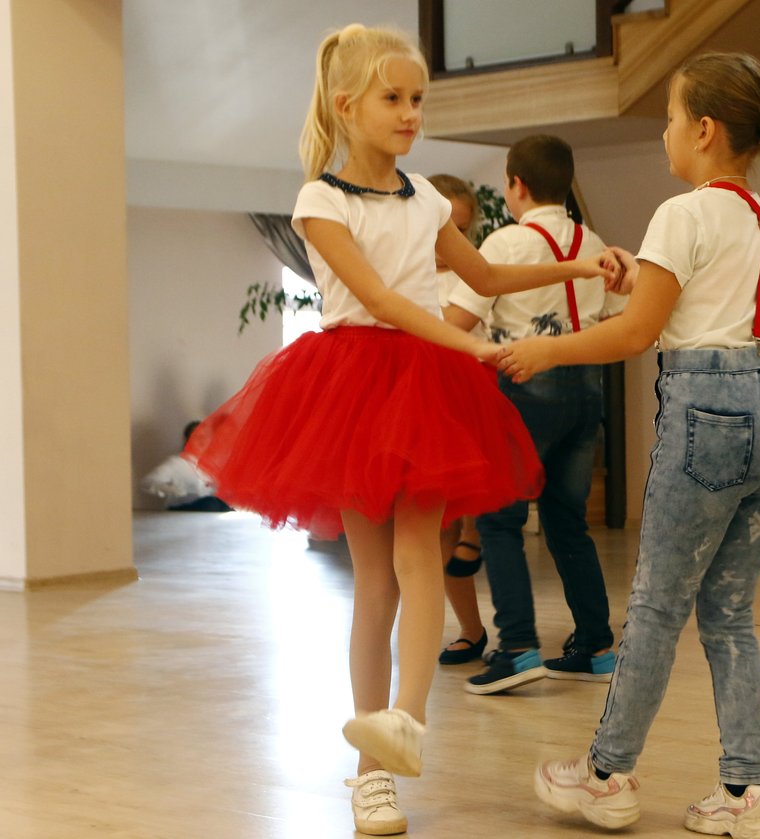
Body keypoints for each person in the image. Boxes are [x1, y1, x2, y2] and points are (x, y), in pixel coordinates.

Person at [183, 24, 616, 837]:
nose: (412, 112)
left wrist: (576, 265)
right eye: (394, 98)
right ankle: (371, 776)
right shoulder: (321, 200)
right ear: (347, 106)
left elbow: (483, 273)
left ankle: (402, 725)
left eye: (418, 98)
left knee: (422, 559)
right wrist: (473, 346)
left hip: (422, 387)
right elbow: (380, 300)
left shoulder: (424, 198)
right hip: (352, 387)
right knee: (374, 582)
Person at [500, 52, 760, 838]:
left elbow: (636, 335)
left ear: (703, 130)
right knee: (728, 612)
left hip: (709, 415)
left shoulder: (682, 212)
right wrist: (643, 274)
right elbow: (706, 301)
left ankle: (604, 775)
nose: (663, 132)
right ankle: (748, 791)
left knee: (658, 606)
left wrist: (545, 350)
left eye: (669, 118)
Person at [444, 134, 626, 695]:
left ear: (515, 185)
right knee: (568, 521)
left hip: (525, 389)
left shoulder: (506, 242)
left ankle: (518, 648)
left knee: (498, 518)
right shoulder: (592, 241)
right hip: (587, 389)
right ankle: (595, 646)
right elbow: (617, 312)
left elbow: (457, 322)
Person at [428, 173, 488, 666]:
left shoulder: (474, 275)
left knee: (476, 507)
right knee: (437, 528)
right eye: (445, 229)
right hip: (427, 406)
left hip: (473, 400)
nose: (453, 241)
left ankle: (475, 532)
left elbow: (456, 327)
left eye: (463, 231)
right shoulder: (403, 274)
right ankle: (471, 630)